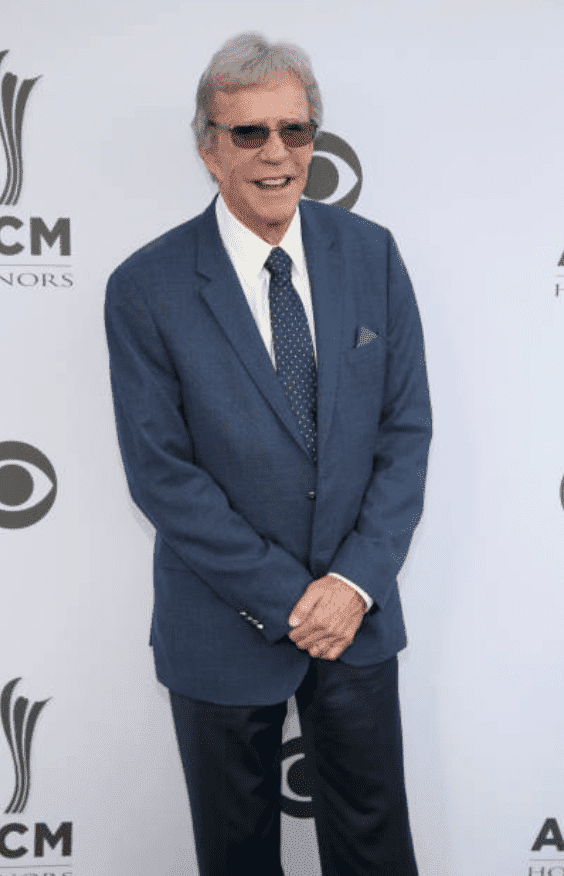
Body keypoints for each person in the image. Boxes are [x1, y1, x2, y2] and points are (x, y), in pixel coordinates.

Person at [104, 31, 432, 876]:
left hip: (356, 619)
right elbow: (162, 476)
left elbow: (405, 433)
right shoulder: (146, 287)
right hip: (221, 626)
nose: (275, 153)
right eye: (248, 133)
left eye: (294, 130)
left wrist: (351, 586)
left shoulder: (373, 257)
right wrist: (294, 599)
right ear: (209, 150)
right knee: (237, 859)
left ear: (314, 141)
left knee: (375, 852)